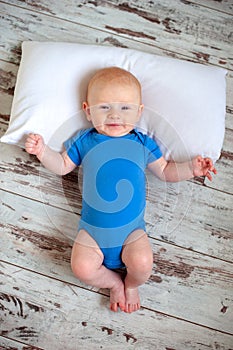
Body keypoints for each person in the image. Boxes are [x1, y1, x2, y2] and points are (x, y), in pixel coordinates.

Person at [25, 67, 217, 313]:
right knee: (81, 267)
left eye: (125, 108)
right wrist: (43, 152)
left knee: (143, 265)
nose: (115, 114)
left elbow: (166, 171)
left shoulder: (141, 142)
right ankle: (113, 283)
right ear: (87, 110)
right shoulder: (85, 140)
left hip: (132, 233)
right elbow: (62, 166)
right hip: (92, 233)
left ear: (139, 112)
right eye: (104, 107)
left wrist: (192, 168)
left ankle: (131, 284)